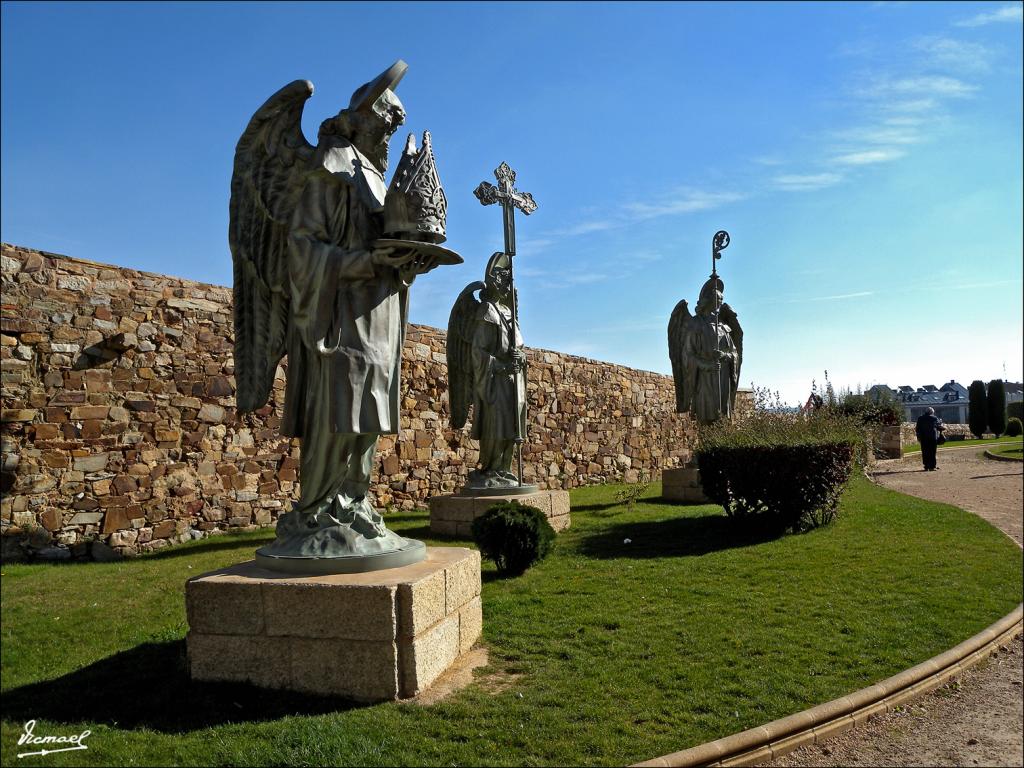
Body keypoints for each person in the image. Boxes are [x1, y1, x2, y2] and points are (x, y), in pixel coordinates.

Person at [230, 62, 446, 563]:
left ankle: (353, 501)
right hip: (337, 313)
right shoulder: (332, 163)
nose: (393, 129)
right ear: (363, 117)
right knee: (338, 413)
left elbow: (385, 237)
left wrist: (408, 259)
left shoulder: (370, 171)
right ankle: (319, 509)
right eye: (388, 119)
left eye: (397, 122)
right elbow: (303, 249)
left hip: (378, 311)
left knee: (367, 415)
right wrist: (368, 260)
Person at [446, 253, 527, 489]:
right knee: (498, 425)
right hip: (495, 381)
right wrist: (501, 366)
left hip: (514, 382)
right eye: (505, 278)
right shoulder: (487, 312)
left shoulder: (510, 313)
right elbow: (478, 352)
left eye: (511, 279)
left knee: (513, 428)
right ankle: (491, 468)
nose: (509, 284)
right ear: (494, 280)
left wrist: (520, 357)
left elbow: (521, 348)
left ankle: (505, 469)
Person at [915, 407, 944, 471]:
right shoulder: (934, 418)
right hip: (932, 437)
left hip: (923, 438)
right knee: (932, 452)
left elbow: (917, 428)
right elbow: (938, 426)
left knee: (925, 451)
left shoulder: (920, 418)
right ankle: (932, 466)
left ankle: (926, 465)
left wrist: (919, 436)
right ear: (931, 412)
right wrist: (942, 427)